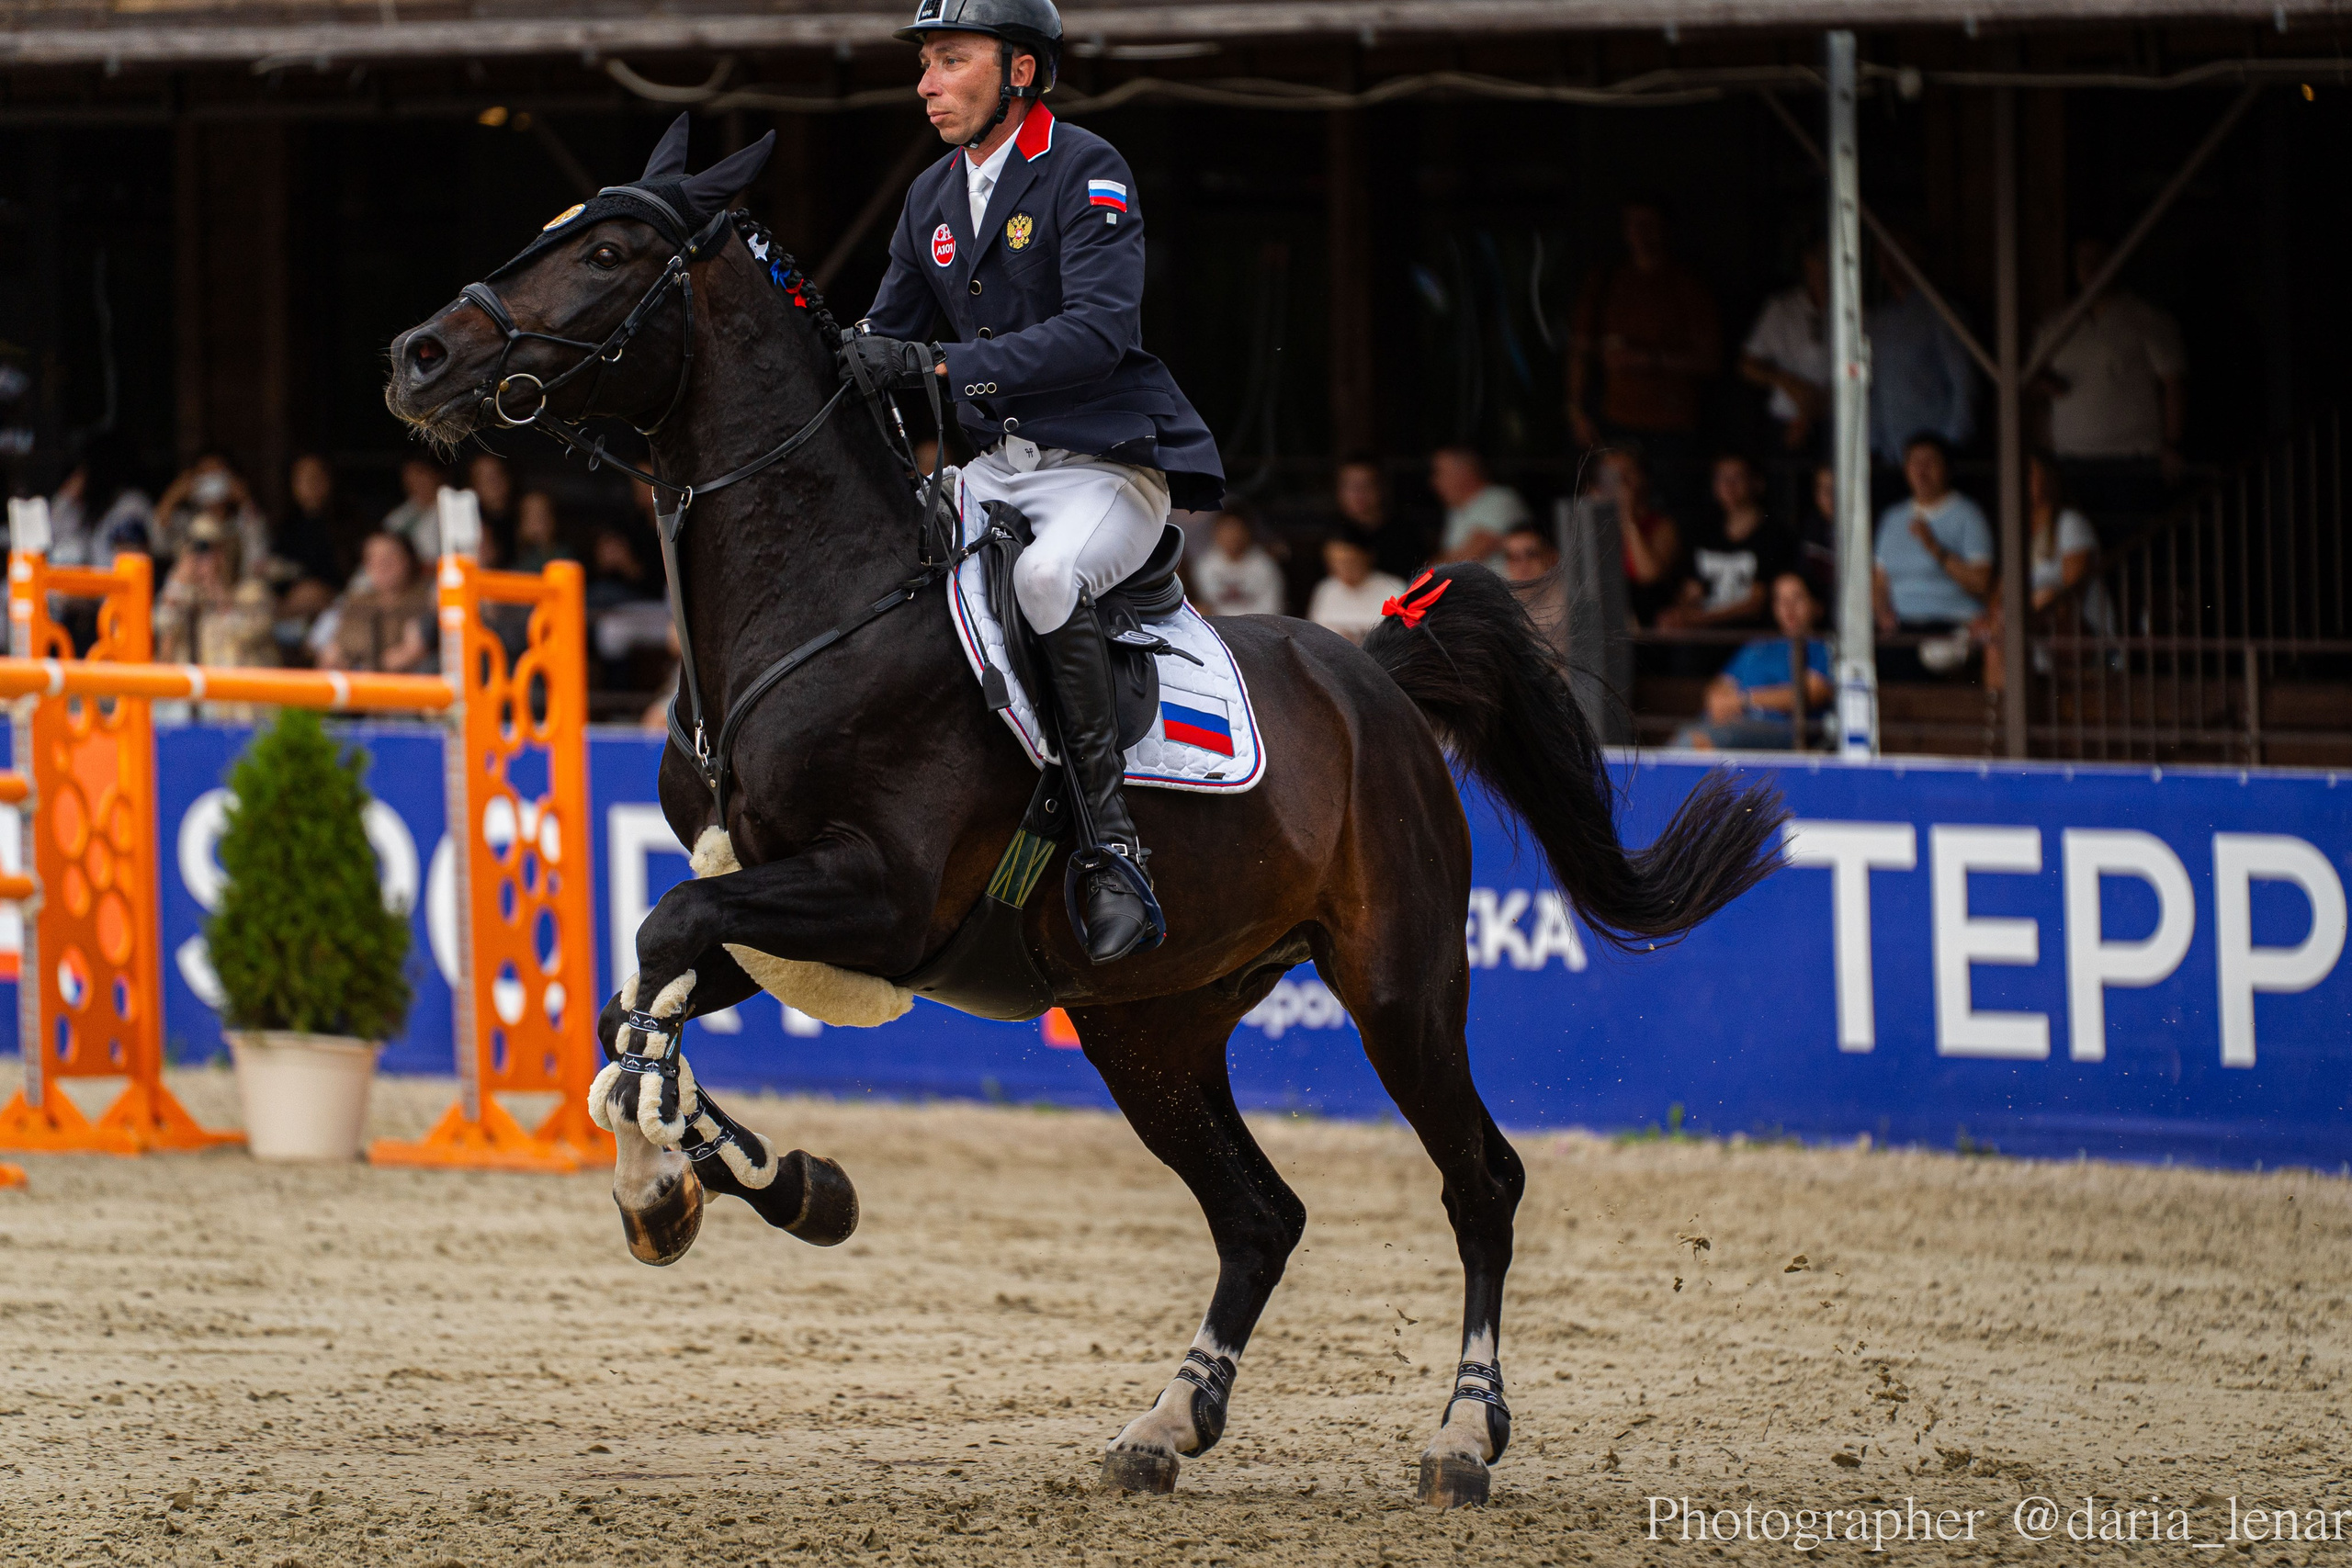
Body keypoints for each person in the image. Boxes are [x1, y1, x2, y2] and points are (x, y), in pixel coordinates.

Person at [854, 0, 1223, 964]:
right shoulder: (929, 197)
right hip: (994, 473)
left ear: (1019, 71)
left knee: (1045, 583)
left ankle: (1114, 851)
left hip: (1102, 468)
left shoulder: (1086, 169)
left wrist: (938, 371)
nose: (926, 83)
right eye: (924, 63)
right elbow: (881, 340)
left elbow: (1101, 330)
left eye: (949, 60)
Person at [1567, 199, 1720, 517]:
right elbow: (1580, 350)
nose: (1640, 233)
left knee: (1670, 507)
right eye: (1632, 225)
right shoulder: (1607, 281)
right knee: (1611, 503)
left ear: (1664, 230)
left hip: (1672, 424)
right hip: (1615, 420)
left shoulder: (1684, 284)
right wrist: (1576, 407)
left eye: (1648, 224)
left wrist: (1648, 359)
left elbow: (1711, 359)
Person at [2030, 236, 2187, 536]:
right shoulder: (2057, 323)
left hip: (2130, 460)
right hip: (2070, 459)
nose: (2091, 269)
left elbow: (2173, 383)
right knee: (2077, 547)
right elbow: (2028, 381)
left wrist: (2172, 444)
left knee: (2130, 546)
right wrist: (2046, 385)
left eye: (2099, 260)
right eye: (2083, 261)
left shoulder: (2146, 319)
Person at [1974, 452, 2110, 694]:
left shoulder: (2069, 523)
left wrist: (2018, 612)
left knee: (2045, 597)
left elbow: (2072, 594)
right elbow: (1999, 593)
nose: (2020, 479)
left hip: (2080, 635)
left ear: (2049, 479)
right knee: (1995, 626)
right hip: (2026, 632)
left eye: (2029, 473)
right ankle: (2000, 716)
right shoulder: (2019, 533)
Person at [1873, 433, 1994, 678]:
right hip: (1902, 626)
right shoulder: (1892, 519)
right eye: (1914, 463)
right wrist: (1881, 613)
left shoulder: (1968, 515)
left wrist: (1935, 548)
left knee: (1933, 661)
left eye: (1930, 462)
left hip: (1953, 624)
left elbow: (1982, 583)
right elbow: (1879, 579)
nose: (1921, 470)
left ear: (1947, 469)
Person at [1674, 572, 1833, 751]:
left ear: (1817, 606)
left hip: (1779, 729)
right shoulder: (1758, 646)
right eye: (1781, 600)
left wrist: (1744, 700)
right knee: (1682, 740)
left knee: (1697, 741)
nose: (1788, 608)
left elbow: (1811, 693)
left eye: (1797, 598)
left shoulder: (1822, 647)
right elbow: (1719, 688)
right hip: (1726, 724)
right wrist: (1721, 701)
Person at [1866, 246, 1976, 470]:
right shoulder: (1881, 320)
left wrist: (1951, 445)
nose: (1888, 263)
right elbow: (1873, 386)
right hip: (1892, 457)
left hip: (1936, 458)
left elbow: (1964, 380)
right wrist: (1873, 444)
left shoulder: (1941, 312)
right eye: (1884, 256)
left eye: (1897, 254)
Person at [1658, 453, 1793, 636]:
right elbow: (1692, 589)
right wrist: (1679, 614)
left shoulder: (1774, 535)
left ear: (1757, 483)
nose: (1728, 486)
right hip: (1702, 633)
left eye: (1737, 477)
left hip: (1748, 636)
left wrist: (1698, 619)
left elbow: (1756, 603)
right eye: (1721, 477)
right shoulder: (1704, 530)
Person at [153, 515, 278, 671]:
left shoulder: (252, 591)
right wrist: (177, 585)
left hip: (246, 690)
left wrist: (216, 587)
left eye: (208, 549)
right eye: (196, 549)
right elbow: (165, 646)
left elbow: (249, 632)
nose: (201, 558)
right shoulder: (185, 596)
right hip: (205, 691)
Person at [1739, 242, 1830, 452]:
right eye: (1817, 258)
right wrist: (1789, 383)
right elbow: (1748, 365)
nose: (1823, 266)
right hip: (1785, 421)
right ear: (1806, 262)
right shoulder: (1782, 308)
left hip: (1834, 420)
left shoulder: (1855, 309)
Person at [1589, 446, 1682, 626]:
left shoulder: (1662, 525)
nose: (1621, 481)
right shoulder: (1594, 525)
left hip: (1650, 617)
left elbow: (1649, 576)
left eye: (1628, 472)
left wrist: (1628, 518)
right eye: (1612, 474)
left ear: (1643, 477)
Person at [323, 533, 435, 674]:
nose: (382, 564)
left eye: (390, 556)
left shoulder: (428, 600)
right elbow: (333, 651)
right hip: (354, 684)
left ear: (408, 559)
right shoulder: (356, 602)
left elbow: (410, 653)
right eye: (373, 558)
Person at [153, 454, 270, 570]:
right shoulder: (186, 521)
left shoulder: (243, 522)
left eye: (217, 474)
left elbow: (258, 557)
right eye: (204, 474)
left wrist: (245, 499)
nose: (211, 481)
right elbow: (159, 544)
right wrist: (173, 495)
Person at [1428, 447, 1529, 572]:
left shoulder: (1499, 499)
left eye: (1439, 473)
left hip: (1506, 590)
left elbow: (1467, 559)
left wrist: (1430, 572)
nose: (1434, 481)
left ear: (1463, 473)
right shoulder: (1455, 511)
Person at [1333, 457, 1425, 580]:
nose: (1358, 493)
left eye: (1366, 485)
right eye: (1351, 486)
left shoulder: (1403, 533)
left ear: (1381, 488)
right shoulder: (1333, 532)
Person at [1306, 529, 1403, 645]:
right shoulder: (1326, 588)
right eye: (1335, 562)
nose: (1343, 569)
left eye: (1349, 561)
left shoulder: (1394, 587)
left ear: (1367, 556)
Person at [1192, 510, 1283, 617]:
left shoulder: (1264, 565)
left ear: (1247, 532)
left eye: (1236, 529)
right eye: (1227, 530)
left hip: (1256, 628)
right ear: (1215, 532)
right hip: (1216, 629)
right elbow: (1199, 608)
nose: (1232, 536)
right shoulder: (1204, 565)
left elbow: (1273, 611)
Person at [1499, 521, 1569, 660]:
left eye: (1531, 555)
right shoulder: (1500, 603)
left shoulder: (1572, 599)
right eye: (1513, 557)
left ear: (1553, 557)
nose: (1522, 565)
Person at [381, 456, 446, 564]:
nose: (415, 481)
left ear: (436, 475)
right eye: (409, 476)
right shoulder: (401, 513)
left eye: (420, 474)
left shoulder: (449, 509)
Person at [510, 491, 575, 575]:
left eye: (543, 514)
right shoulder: (513, 562)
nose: (540, 521)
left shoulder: (566, 558)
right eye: (532, 515)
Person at [467, 452, 518, 559]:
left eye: (496, 474)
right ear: (474, 485)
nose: (493, 482)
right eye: (484, 477)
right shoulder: (471, 523)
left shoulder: (525, 515)